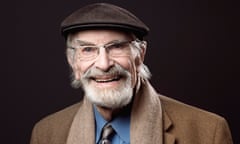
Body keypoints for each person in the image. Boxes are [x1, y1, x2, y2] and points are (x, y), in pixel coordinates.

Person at [30, 3, 233, 144]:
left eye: (117, 46)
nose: (104, 64)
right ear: (73, 63)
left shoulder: (208, 132)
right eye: (88, 50)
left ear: (140, 55)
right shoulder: (46, 133)